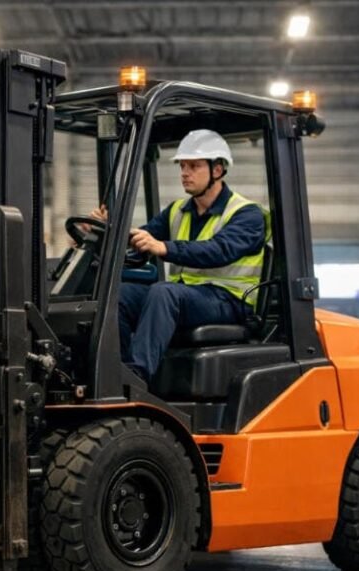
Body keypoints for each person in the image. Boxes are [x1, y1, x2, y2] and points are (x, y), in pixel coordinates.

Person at [92, 129, 271, 382]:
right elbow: (143, 239)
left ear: (217, 170)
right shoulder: (178, 210)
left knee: (163, 292)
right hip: (188, 297)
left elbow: (219, 250)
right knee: (120, 295)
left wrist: (164, 247)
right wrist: (106, 231)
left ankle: (135, 377)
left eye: (194, 166)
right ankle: (112, 373)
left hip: (228, 300)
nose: (185, 173)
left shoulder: (246, 214)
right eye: (183, 166)